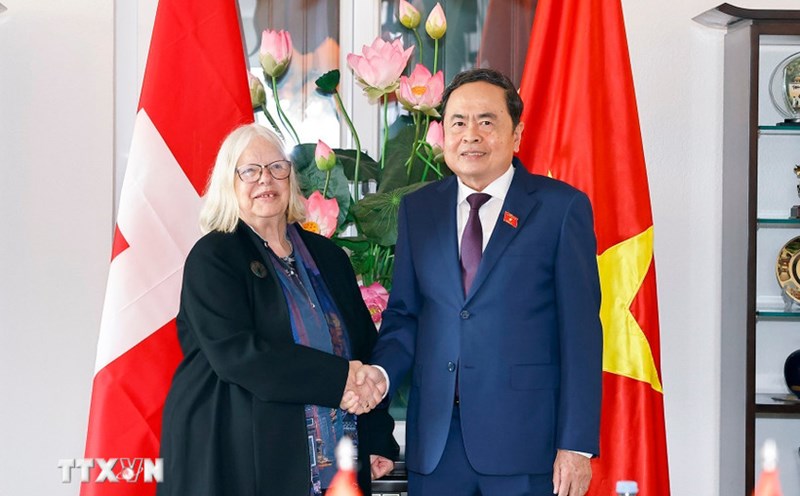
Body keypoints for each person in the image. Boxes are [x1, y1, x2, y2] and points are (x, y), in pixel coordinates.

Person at [360, 68, 603, 496]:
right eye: (458, 122)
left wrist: (576, 445)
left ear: (516, 135)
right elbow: (405, 316)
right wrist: (380, 374)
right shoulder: (419, 210)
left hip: (526, 445)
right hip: (436, 446)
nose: (470, 134)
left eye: (486, 121)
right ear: (443, 135)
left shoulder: (560, 208)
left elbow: (581, 335)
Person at [158, 123, 398, 496]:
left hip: (338, 457)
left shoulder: (329, 257)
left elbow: (365, 346)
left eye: (276, 167)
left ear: (291, 179)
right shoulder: (213, 257)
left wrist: (378, 435)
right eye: (250, 171)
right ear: (228, 184)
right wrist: (340, 379)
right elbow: (239, 355)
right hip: (238, 455)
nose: (265, 179)